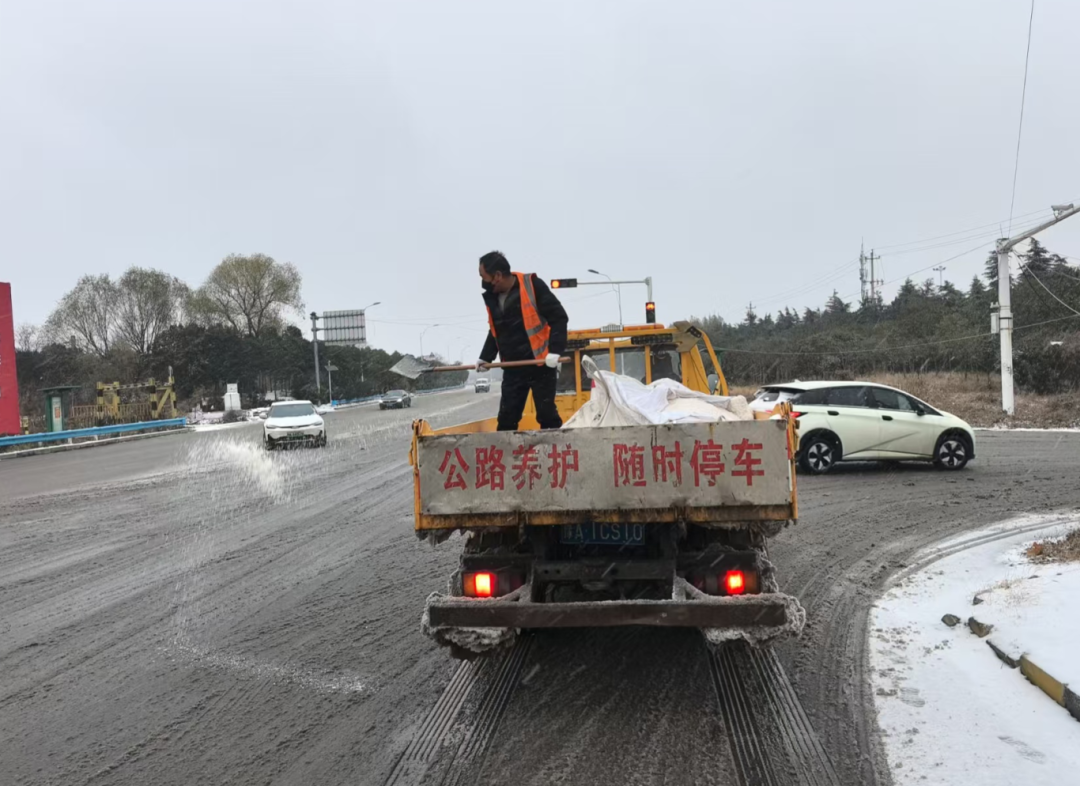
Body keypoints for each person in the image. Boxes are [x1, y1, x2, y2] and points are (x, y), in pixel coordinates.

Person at [477, 251, 568, 431]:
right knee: (507, 418)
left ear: (497, 276)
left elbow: (559, 318)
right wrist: (485, 357)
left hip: (540, 364)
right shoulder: (493, 297)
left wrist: (555, 351)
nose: (482, 282)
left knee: (546, 414)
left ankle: (554, 447)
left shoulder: (532, 286)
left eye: (483, 276)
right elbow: (496, 330)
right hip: (513, 367)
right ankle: (506, 448)